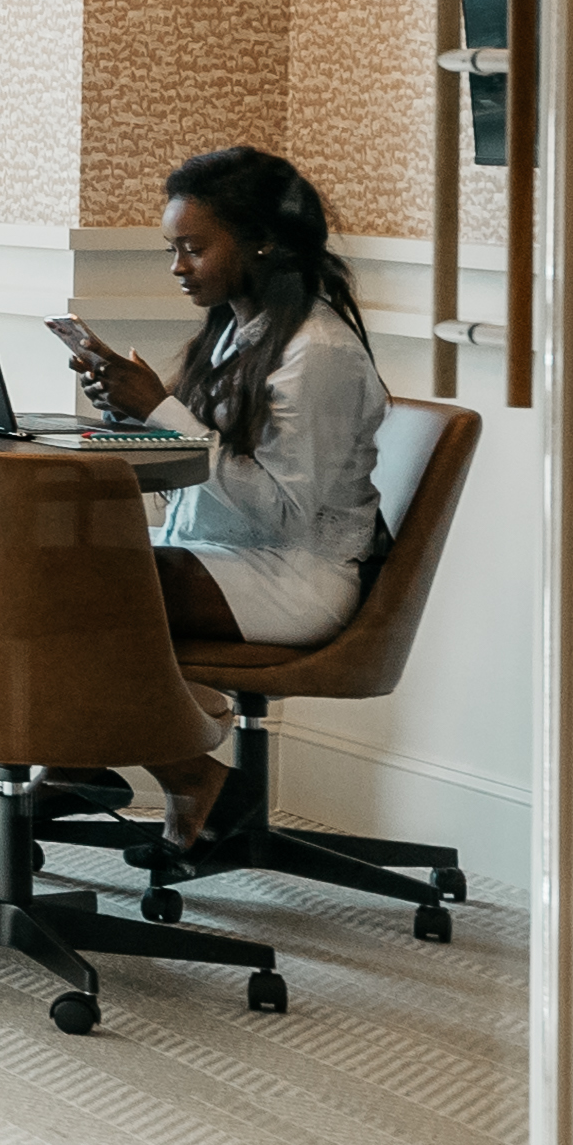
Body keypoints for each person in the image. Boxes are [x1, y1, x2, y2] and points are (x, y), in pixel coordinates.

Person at [59, 141, 388, 827]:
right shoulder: (232, 332)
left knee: (80, 585)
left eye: (193, 248)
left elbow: (288, 513)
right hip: (222, 554)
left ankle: (183, 777)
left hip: (294, 576)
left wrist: (161, 411)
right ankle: (74, 763)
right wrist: (135, 414)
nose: (176, 267)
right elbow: (203, 468)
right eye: (170, 249)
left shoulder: (317, 353)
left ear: (261, 242)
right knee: (47, 565)